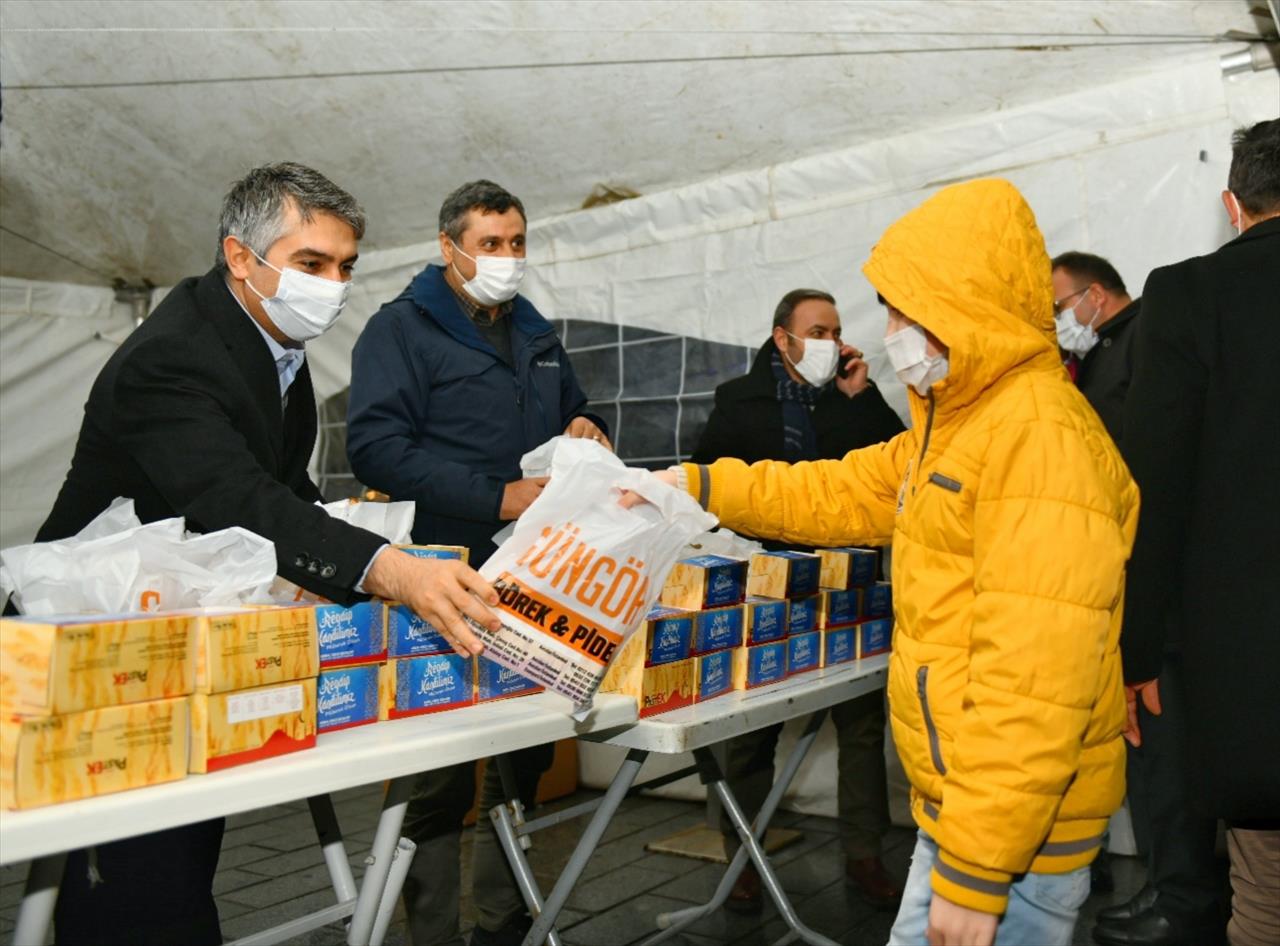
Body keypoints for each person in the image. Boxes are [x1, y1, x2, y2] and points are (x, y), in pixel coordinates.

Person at [641, 178, 1138, 946]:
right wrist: (697, 483)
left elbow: (1035, 678)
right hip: (970, 814)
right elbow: (840, 490)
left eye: (905, 310)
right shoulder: (963, 422)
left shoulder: (1037, 438)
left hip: (1013, 841)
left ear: (961, 307)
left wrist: (975, 872)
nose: (891, 329)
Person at [33, 163, 501, 946]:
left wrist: (381, 555)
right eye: (312, 263)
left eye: (346, 266)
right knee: (146, 879)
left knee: (185, 847)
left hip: (183, 620)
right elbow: (237, 498)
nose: (334, 283)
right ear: (240, 257)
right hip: (102, 640)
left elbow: (286, 489)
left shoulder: (269, 337)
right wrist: (389, 572)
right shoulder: (173, 355)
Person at [346, 179, 607, 946]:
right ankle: (432, 931)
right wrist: (495, 496)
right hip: (441, 573)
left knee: (520, 761)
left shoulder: (533, 330)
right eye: (491, 244)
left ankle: (501, 923)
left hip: (531, 572)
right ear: (448, 246)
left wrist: (587, 421)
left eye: (517, 242)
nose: (507, 257)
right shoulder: (400, 331)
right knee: (438, 773)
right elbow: (376, 449)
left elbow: (574, 410)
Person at [690, 288, 904, 911]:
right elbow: (711, 481)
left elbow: (894, 469)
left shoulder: (849, 396)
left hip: (848, 581)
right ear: (782, 338)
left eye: (836, 331)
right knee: (752, 729)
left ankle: (865, 853)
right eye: (817, 331)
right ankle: (743, 859)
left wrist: (860, 396)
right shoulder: (739, 401)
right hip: (768, 584)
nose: (830, 343)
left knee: (862, 722)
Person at [1119, 118, 1280, 946]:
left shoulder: (1187, 294)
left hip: (1250, 657)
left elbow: (1155, 487)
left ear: (1233, 204)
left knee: (1263, 883)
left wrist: (1135, 653)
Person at [1051, 252, 1224, 945]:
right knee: (1146, 746)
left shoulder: (1150, 339)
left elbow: (1140, 467)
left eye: (1060, 305)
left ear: (1094, 295)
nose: (1059, 320)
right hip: (1125, 581)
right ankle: (1168, 885)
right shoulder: (1107, 354)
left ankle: (1180, 896)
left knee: (1164, 744)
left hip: (1157, 583)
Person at [1050, 251, 1141, 445]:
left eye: (1058, 308)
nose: (1055, 321)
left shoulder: (1146, 332)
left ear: (1096, 295)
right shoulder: (1091, 355)